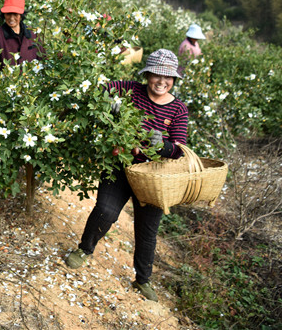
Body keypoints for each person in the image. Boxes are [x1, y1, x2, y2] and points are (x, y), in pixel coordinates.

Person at [64, 48, 189, 302]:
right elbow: (101, 89)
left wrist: (162, 145)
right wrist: (111, 105)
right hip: (121, 166)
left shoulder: (178, 109)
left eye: (167, 77)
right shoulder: (130, 89)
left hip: (153, 177)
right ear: (147, 75)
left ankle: (142, 280)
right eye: (156, 75)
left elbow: (179, 149)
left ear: (174, 79)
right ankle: (84, 250)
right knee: (106, 210)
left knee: (147, 231)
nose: (161, 82)